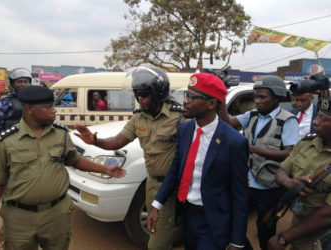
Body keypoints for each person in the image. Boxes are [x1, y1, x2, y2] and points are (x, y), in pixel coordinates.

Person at [0, 86, 126, 250]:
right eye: (48, 107)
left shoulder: (61, 134)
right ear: (30, 109)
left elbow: (75, 160)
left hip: (57, 216)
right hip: (18, 220)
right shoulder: (6, 141)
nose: (54, 111)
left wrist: (104, 169)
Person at [74, 65, 184, 250]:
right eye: (137, 94)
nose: (140, 99)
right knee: (161, 228)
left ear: (158, 93)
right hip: (151, 184)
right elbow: (117, 141)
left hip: (172, 187)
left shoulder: (179, 117)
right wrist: (95, 141)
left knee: (156, 243)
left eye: (144, 94)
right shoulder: (139, 117)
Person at [147, 73, 249, 249]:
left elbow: (240, 195)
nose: (185, 101)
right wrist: (157, 204)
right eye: (186, 95)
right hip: (187, 216)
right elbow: (175, 169)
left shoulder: (234, 142)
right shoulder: (185, 130)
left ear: (211, 103)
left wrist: (237, 241)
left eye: (192, 97)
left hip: (213, 222)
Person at [220, 75, 300, 250]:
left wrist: (250, 148)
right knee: (234, 223)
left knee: (265, 231)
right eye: (256, 96)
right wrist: (221, 98)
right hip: (246, 183)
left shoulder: (287, 120)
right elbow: (226, 122)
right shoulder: (252, 115)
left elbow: (288, 154)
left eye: (263, 97)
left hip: (270, 188)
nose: (257, 101)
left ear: (276, 97)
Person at [268, 96, 331, 250]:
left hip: (324, 236)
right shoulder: (306, 143)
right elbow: (282, 170)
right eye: (317, 116)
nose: (315, 122)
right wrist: (289, 182)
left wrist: (285, 237)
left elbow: (328, 214)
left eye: (323, 119)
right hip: (299, 226)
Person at [0, 68, 32, 164]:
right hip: (10, 145)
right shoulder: (5, 101)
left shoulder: (34, 100)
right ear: (12, 84)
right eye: (19, 81)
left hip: (30, 145)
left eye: (25, 81)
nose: (23, 84)